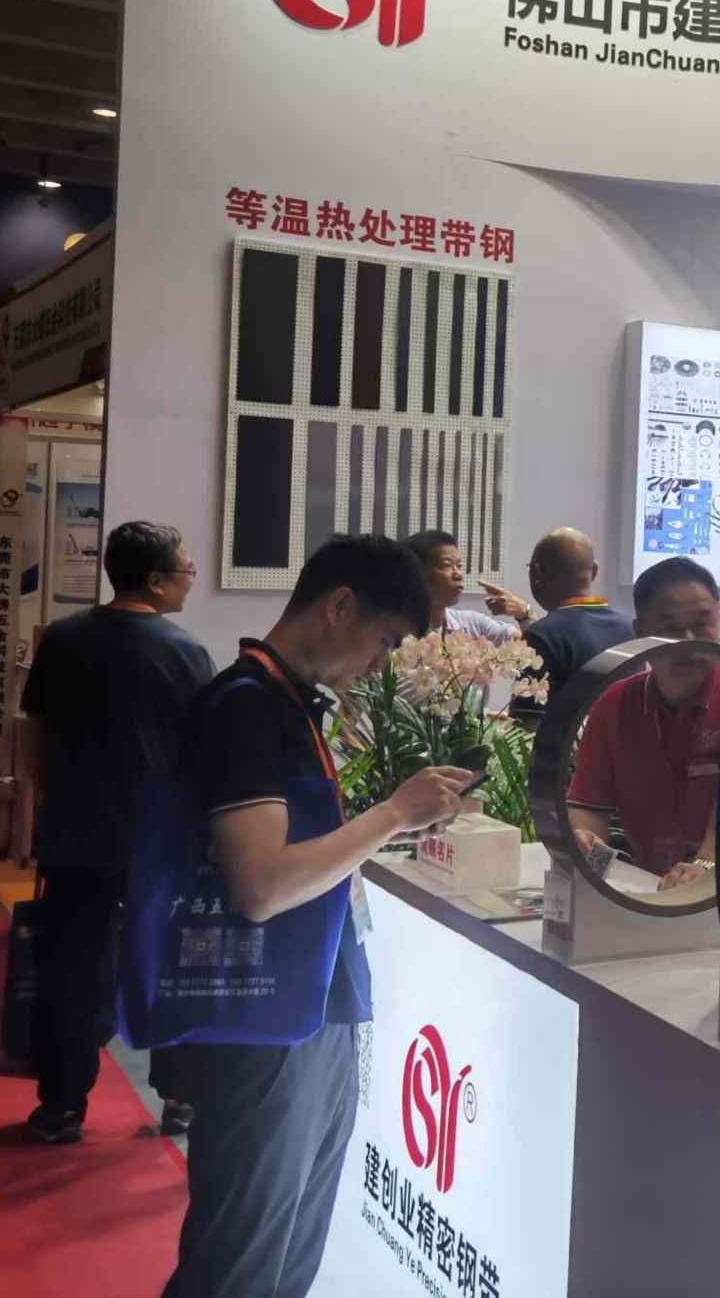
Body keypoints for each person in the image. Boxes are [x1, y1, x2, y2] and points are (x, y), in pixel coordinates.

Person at [160, 536, 479, 1298]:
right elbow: (262, 885)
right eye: (384, 641)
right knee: (244, 1254)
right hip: (265, 1016)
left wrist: (393, 826)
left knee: (290, 1241)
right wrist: (393, 814)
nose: (380, 664)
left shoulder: (290, 703)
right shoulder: (246, 706)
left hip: (312, 1003)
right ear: (339, 607)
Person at [16, 522, 215, 1144]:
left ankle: (62, 1107)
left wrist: (50, 804)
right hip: (159, 845)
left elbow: (35, 736)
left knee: (71, 971)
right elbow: (202, 756)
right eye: (186, 570)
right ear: (155, 581)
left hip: (74, 836)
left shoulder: (63, 639)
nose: (191, 580)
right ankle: (181, 1099)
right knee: (170, 969)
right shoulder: (187, 653)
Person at [565, 556, 720, 891]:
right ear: (640, 633)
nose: (688, 640)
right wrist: (589, 858)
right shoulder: (613, 706)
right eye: (670, 628)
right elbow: (588, 808)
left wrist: (704, 869)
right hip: (647, 891)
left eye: (702, 624)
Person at [517, 527, 634, 706]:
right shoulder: (630, 628)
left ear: (537, 572)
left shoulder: (541, 636)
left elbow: (526, 721)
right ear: (594, 571)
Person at [405, 528, 524, 645]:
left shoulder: (472, 624)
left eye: (459, 566)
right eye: (447, 565)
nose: (458, 575)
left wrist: (524, 614)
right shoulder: (398, 631)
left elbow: (527, 644)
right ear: (418, 571)